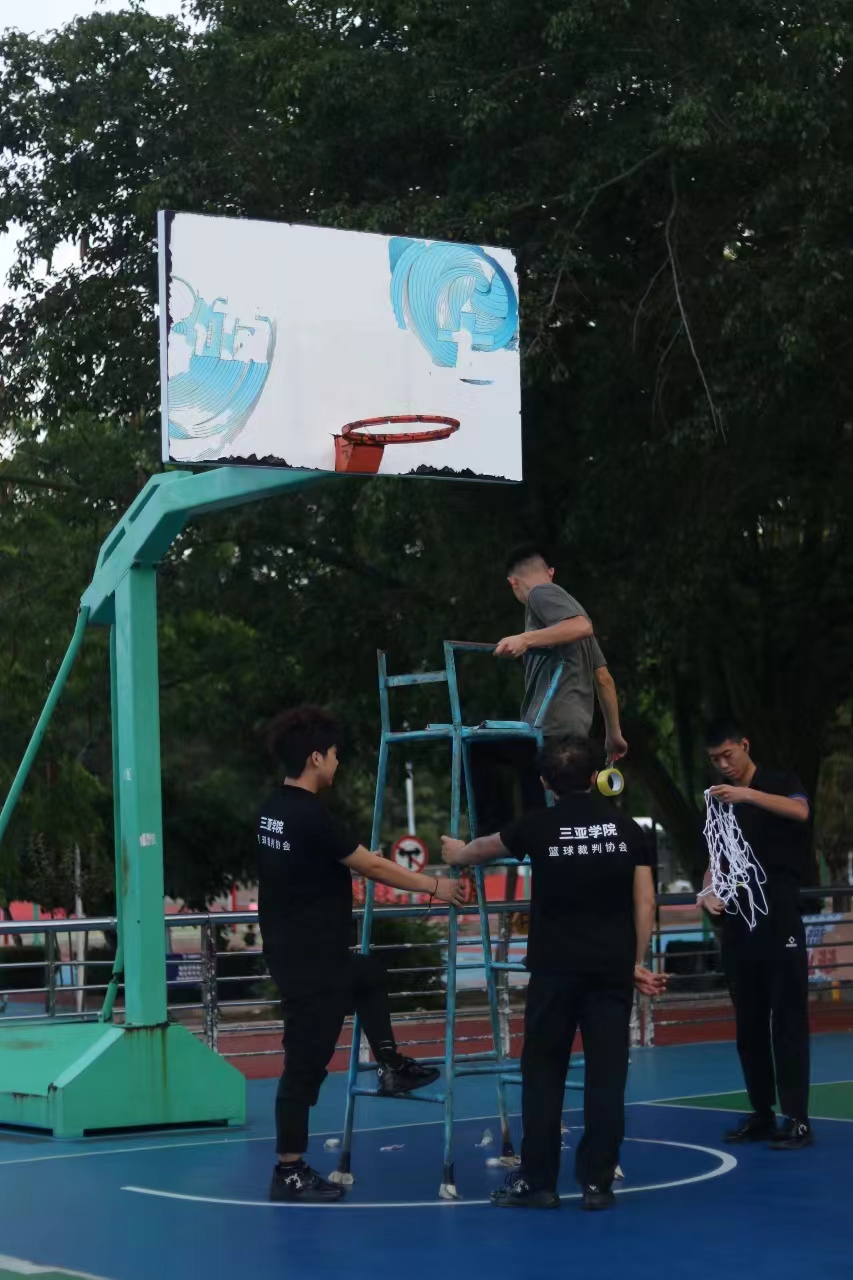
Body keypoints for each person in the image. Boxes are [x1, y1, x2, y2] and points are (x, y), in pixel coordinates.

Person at [441, 735, 666, 1211]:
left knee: (543, 1075)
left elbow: (484, 848)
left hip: (553, 972)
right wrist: (635, 961)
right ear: (595, 777)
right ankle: (597, 1184)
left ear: (546, 782)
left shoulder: (538, 826)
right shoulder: (628, 829)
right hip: (610, 973)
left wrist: (456, 853)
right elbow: (645, 901)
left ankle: (538, 1182)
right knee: (607, 1078)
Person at [257, 705, 465, 1204]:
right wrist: (435, 886)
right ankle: (288, 1170)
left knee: (369, 972)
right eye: (333, 754)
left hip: (299, 952)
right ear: (315, 758)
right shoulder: (312, 816)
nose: (337, 762)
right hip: (312, 962)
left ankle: (391, 1064)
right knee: (304, 1066)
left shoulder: (271, 810)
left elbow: (319, 864)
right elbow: (372, 866)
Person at [699, 721, 813, 1151]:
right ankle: (762, 1112)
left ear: (745, 745)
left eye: (728, 755)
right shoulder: (718, 801)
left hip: (778, 914)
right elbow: (715, 856)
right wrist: (707, 889)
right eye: (715, 760)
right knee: (748, 1024)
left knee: (787, 1018)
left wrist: (747, 795)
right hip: (738, 921)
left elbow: (800, 811)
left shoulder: (781, 782)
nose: (723, 765)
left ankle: (797, 1118)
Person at [469, 544, 628, 837]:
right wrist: (613, 734)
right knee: (555, 817)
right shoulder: (568, 615)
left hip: (549, 729)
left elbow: (581, 625)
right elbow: (604, 678)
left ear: (513, 582)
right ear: (551, 572)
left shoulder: (541, 594)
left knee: (475, 747)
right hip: (574, 733)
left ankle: (495, 833)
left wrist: (525, 639)